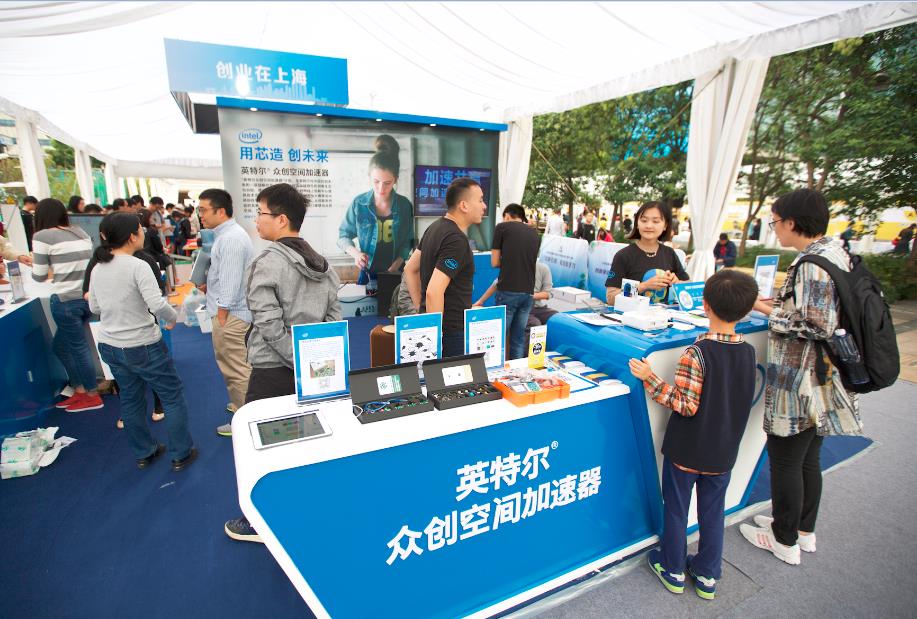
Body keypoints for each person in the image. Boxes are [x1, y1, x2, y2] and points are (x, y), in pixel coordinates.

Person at [739, 188, 862, 565]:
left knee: (786, 460)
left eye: (775, 222)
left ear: (792, 222)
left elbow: (817, 324)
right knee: (808, 456)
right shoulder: (835, 252)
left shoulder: (811, 263)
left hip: (800, 378)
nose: (774, 229)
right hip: (824, 376)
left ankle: (783, 539)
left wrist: (766, 312)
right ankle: (802, 529)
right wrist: (777, 304)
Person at [629, 269, 759, 600]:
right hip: (723, 452)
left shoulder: (696, 354)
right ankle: (706, 574)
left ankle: (672, 568)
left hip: (688, 449)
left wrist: (650, 377)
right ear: (746, 310)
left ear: (705, 305)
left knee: (676, 508)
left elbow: (685, 404)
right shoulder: (748, 352)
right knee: (712, 513)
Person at [223, 183, 342, 544]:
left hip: (272, 370)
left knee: (262, 448)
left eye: (260, 213)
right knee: (311, 440)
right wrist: (308, 361)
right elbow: (333, 320)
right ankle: (308, 508)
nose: (256, 220)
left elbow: (267, 322)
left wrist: (293, 358)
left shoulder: (267, 262)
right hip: (316, 371)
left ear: (281, 219)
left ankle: (262, 523)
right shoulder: (323, 265)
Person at [88, 212, 197, 472]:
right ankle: (181, 453)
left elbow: (94, 307)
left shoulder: (98, 267)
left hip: (110, 345)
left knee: (130, 398)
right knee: (171, 396)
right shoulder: (137, 266)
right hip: (142, 344)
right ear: (131, 236)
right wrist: (173, 318)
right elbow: (156, 303)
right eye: (140, 229)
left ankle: (144, 452)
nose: (144, 233)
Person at [83, 224, 167, 428]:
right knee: (133, 381)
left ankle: (156, 407)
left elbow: (157, 294)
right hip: (125, 333)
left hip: (129, 332)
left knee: (144, 379)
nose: (143, 234)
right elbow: (89, 295)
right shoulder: (101, 263)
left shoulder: (142, 260)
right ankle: (135, 416)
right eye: (140, 230)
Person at [31, 198, 101, 412]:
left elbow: (39, 275)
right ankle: (80, 390)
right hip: (86, 298)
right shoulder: (79, 232)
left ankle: (92, 394)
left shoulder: (42, 236)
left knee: (77, 349)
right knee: (61, 347)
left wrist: (35, 263)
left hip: (65, 300)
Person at [404, 177, 486, 358]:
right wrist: (435, 336)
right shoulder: (456, 239)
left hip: (441, 328)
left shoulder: (434, 228)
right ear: (464, 205)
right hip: (450, 333)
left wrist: (421, 309)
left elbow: (409, 269)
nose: (484, 206)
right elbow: (434, 291)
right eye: (480, 200)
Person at [197, 188, 254, 437]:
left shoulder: (230, 239)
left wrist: (221, 315)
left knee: (236, 370)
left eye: (203, 210)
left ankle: (245, 421)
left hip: (231, 316)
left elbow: (230, 284)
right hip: (232, 314)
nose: (200, 215)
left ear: (221, 211)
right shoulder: (228, 235)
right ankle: (243, 407)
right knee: (238, 366)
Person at [338, 135, 414, 277]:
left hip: (396, 273)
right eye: (376, 181)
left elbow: (408, 241)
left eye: (387, 183)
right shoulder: (358, 204)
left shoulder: (404, 205)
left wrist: (397, 264)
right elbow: (343, 236)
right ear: (369, 177)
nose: (381, 188)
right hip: (367, 273)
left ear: (395, 179)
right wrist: (356, 254)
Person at [605, 201, 689, 305]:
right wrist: (644, 286)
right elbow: (611, 298)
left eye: (655, 221)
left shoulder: (670, 253)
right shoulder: (623, 256)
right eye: (644, 220)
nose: (649, 225)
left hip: (663, 315)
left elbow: (688, 287)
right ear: (637, 224)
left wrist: (677, 283)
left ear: (665, 226)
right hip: (631, 314)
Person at [491, 203, 541, 360]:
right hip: (528, 292)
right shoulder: (535, 234)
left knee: (498, 337)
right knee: (518, 339)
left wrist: (507, 261)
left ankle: (495, 370)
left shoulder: (502, 228)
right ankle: (517, 371)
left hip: (508, 289)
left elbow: (494, 262)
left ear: (507, 216)